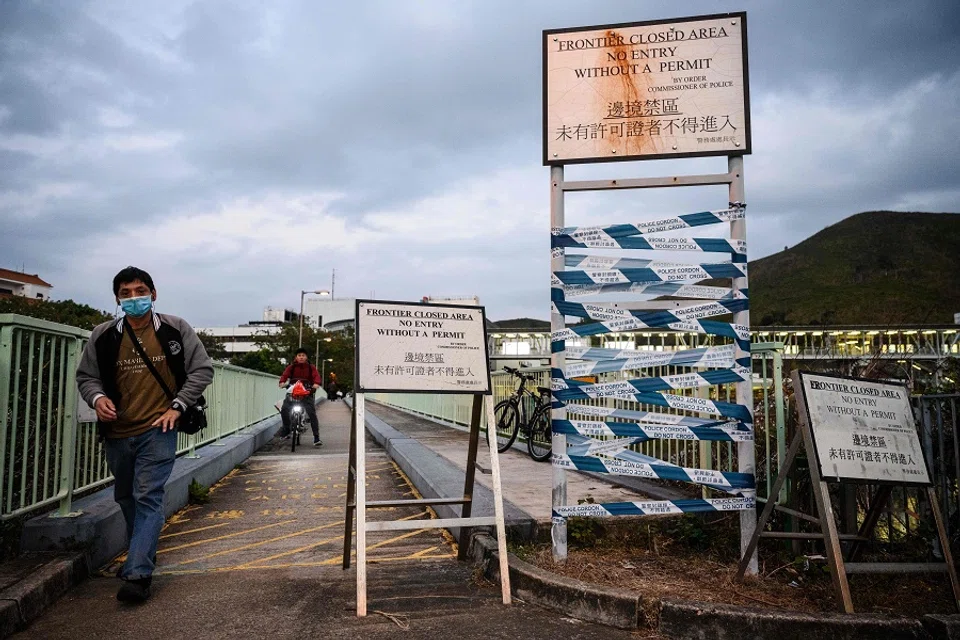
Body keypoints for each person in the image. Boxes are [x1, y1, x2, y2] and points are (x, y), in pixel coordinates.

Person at [77, 266, 213, 603]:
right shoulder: (103, 335)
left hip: (159, 428)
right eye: (126, 293)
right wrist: (98, 398)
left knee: (147, 495)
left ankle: (138, 574)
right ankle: (144, 552)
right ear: (117, 299)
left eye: (140, 291)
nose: (134, 298)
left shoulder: (175, 329)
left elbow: (202, 369)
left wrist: (177, 406)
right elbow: (86, 377)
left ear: (153, 294)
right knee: (125, 496)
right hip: (117, 431)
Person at [278, 348, 322, 445]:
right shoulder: (291, 367)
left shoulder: (311, 367)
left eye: (303, 355)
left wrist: (316, 384)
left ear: (306, 357)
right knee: (284, 409)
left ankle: (316, 437)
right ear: (296, 357)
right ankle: (286, 429)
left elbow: (316, 377)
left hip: (307, 392)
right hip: (293, 391)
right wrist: (282, 382)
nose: (301, 357)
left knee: (312, 413)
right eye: (299, 355)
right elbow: (285, 375)